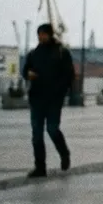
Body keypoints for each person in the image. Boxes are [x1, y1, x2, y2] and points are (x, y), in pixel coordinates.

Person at [22, 23, 74, 178]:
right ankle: (40, 167)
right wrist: (28, 74)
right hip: (37, 98)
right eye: (39, 34)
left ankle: (64, 153)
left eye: (44, 34)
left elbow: (68, 75)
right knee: (36, 134)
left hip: (53, 99)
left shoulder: (61, 52)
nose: (41, 37)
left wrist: (61, 92)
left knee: (52, 129)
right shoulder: (34, 54)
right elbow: (25, 70)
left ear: (50, 34)